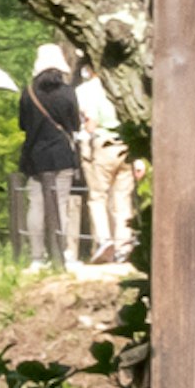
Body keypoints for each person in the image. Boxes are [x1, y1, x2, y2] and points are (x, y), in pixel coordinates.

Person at [19, 47, 87, 269]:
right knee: (61, 204)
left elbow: (22, 124)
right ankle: (62, 252)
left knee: (36, 205)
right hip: (61, 155)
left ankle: (37, 257)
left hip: (35, 156)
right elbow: (75, 124)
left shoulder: (28, 92)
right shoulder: (67, 92)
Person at [72, 64, 132, 264]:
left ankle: (104, 240)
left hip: (101, 146)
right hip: (126, 145)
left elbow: (91, 120)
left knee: (98, 196)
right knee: (122, 198)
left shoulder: (85, 90)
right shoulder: (122, 86)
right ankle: (124, 244)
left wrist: (83, 135)